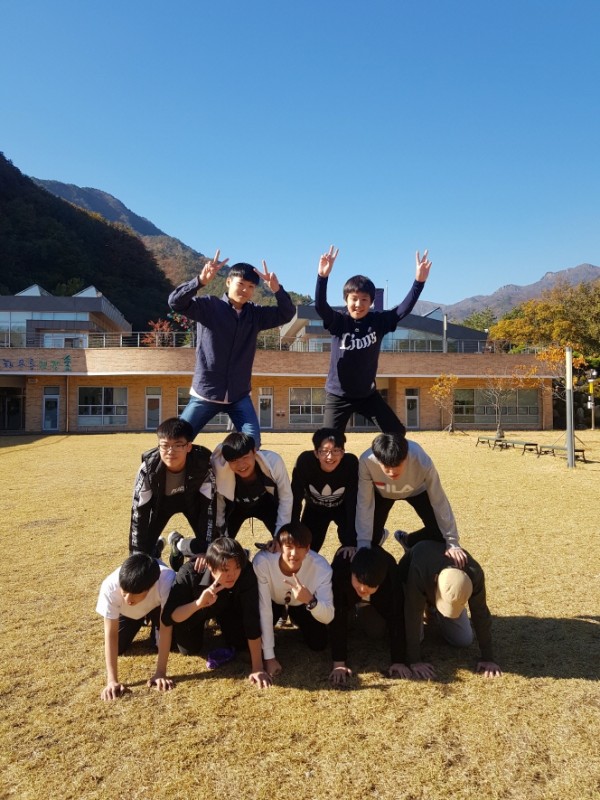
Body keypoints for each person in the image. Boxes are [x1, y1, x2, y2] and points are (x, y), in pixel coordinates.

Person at [168, 251, 295, 447]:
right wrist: (200, 281)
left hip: (239, 395)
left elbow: (286, 314)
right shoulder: (209, 306)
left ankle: (230, 466)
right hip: (206, 392)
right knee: (177, 441)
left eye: (251, 286)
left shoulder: (256, 315)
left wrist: (277, 290)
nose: (245, 290)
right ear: (228, 282)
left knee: (252, 444)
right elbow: (175, 302)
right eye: (241, 284)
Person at [315, 244, 431, 434]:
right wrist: (322, 276)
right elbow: (320, 307)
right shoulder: (339, 322)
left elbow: (402, 310)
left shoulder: (378, 322)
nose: (358, 304)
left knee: (396, 433)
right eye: (354, 298)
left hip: (367, 395)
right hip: (338, 395)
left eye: (364, 299)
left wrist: (419, 282)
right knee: (328, 442)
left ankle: (381, 455)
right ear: (346, 300)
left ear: (371, 302)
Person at [161, 537, 272, 688]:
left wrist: (257, 668)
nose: (232, 574)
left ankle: (223, 626)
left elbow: (251, 617)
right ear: (210, 565)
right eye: (225, 570)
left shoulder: (246, 573)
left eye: (236, 567)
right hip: (196, 612)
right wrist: (199, 604)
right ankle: (177, 542)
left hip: (227, 609)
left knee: (240, 643)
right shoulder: (189, 573)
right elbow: (169, 617)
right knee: (188, 649)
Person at [169, 432, 293, 562]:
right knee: (217, 551)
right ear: (227, 461)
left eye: (245, 457)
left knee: (288, 542)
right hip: (235, 509)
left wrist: (279, 536)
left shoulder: (273, 463)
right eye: (234, 461)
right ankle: (179, 543)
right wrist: (222, 537)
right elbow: (219, 502)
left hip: (266, 504)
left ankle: (241, 553)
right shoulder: (219, 469)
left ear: (254, 451)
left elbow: (286, 498)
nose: (241, 465)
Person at [356, 432, 468, 568]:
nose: (392, 472)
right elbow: (364, 503)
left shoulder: (420, 458)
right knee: (370, 541)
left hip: (416, 489)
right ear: (377, 460)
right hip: (382, 493)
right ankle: (379, 534)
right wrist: (363, 544)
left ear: (406, 457)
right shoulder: (366, 461)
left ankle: (407, 540)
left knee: (439, 533)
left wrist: (452, 542)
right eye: (386, 466)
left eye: (397, 465)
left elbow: (439, 499)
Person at [400, 540, 502, 679]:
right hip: (414, 580)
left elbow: (480, 613)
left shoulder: (475, 573)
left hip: (437, 586)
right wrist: (414, 660)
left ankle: (433, 609)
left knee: (463, 639)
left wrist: (488, 658)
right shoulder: (420, 568)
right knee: (417, 637)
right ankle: (428, 604)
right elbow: (412, 613)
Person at [129, 417, 215, 567]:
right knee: (143, 552)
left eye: (178, 445)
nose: (170, 451)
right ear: (158, 446)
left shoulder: (203, 465)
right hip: (161, 506)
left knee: (210, 547)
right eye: (165, 445)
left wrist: (207, 550)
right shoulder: (148, 468)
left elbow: (209, 508)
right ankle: (155, 548)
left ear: (189, 446)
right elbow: (139, 513)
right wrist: (136, 560)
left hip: (192, 503)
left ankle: (180, 545)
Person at [252, 521, 334, 677]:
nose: (294, 554)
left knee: (319, 643)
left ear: (308, 549)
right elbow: (264, 610)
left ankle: (294, 615)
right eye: (289, 547)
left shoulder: (322, 568)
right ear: (279, 546)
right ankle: (283, 613)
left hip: (303, 603)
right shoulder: (262, 562)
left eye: (300, 547)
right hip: (272, 602)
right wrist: (269, 658)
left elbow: (328, 616)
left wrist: (311, 601)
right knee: (250, 637)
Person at [96, 553, 176, 701]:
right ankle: (139, 621)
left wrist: (160, 673)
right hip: (127, 613)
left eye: (134, 594)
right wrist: (112, 681)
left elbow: (166, 628)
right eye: (124, 592)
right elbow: (111, 634)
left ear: (151, 586)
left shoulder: (167, 579)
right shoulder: (110, 586)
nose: (128, 598)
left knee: (171, 644)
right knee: (119, 647)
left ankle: (153, 628)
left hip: (156, 608)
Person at [329, 546, 410, 685]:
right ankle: (353, 611)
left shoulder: (391, 577)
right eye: (359, 582)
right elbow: (337, 615)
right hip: (345, 599)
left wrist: (398, 661)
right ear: (352, 572)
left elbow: (397, 616)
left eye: (369, 586)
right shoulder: (340, 569)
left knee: (376, 631)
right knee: (339, 621)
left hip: (375, 602)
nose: (362, 589)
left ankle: (363, 610)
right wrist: (339, 663)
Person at [290, 427, 358, 553]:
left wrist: (351, 541)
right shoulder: (305, 462)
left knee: (351, 547)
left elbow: (353, 501)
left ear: (343, 452)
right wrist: (293, 529)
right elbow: (295, 497)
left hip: (343, 508)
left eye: (336, 450)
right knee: (306, 549)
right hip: (315, 508)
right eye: (324, 451)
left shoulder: (351, 463)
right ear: (316, 453)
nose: (330, 457)